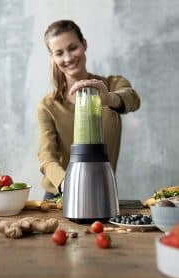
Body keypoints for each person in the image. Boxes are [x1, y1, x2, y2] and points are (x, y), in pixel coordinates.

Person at [37, 20, 140, 200]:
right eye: (59, 53)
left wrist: (108, 98)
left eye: (73, 47)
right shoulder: (48, 106)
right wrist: (67, 183)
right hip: (59, 195)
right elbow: (47, 157)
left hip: (101, 191)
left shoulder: (111, 85)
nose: (68, 58)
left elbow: (132, 99)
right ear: (52, 57)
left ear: (84, 44)